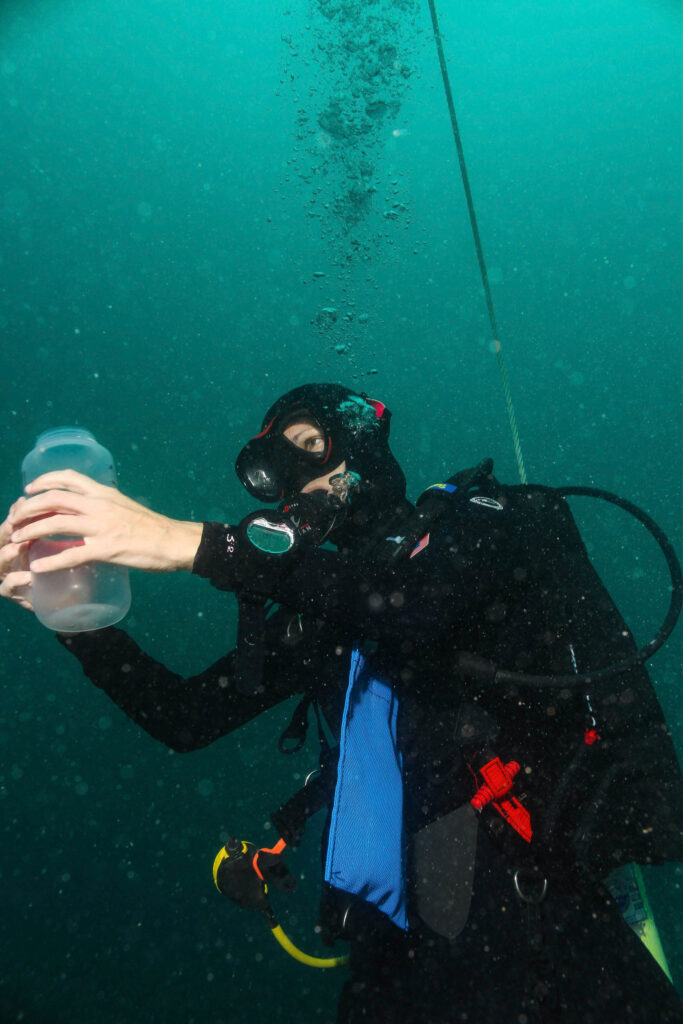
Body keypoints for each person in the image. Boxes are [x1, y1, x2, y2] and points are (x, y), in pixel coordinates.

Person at [2, 382, 683, 1023]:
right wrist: (78, 623)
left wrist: (196, 543)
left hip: (529, 910)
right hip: (389, 943)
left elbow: (416, 606)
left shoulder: (490, 517)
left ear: (361, 438)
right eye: (277, 472)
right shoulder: (321, 612)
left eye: (308, 447)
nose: (299, 480)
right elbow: (185, 717)